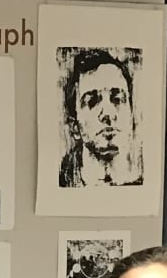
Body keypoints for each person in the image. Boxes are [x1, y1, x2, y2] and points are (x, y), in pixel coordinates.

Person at [58, 48, 140, 188]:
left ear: (131, 116)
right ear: (74, 126)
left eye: (117, 99)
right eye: (92, 102)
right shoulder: (64, 181)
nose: (107, 114)